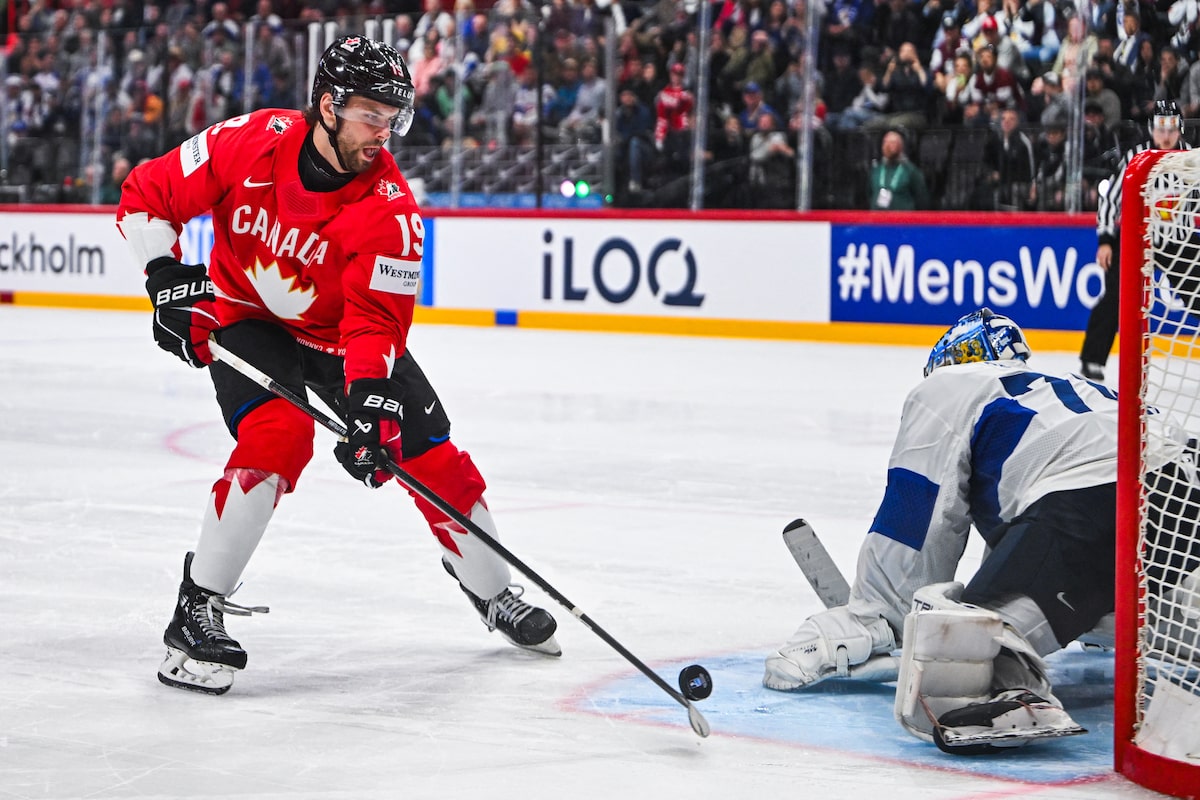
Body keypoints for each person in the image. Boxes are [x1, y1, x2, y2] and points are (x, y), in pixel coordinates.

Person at [116, 36, 561, 696]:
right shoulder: (249, 141)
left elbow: (375, 322)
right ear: (327, 106)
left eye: (393, 118)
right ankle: (196, 611)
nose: (384, 133)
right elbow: (145, 195)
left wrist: (374, 403)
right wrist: (167, 279)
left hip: (337, 339)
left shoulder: (391, 210)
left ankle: (492, 590)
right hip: (248, 318)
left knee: (429, 454)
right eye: (371, 116)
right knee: (278, 437)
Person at [762, 308, 1198, 754]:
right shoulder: (1068, 394)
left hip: (1097, 503)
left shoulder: (950, 386)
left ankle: (1012, 690)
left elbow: (920, 513)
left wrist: (873, 616)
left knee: (967, 649)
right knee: (1111, 598)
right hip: (1187, 499)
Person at [1082, 99, 1189, 382]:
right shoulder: (1136, 157)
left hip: (1180, 242)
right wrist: (1105, 239)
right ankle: (1092, 360)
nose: (1165, 135)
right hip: (1136, 242)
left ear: (1180, 128)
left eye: (1171, 128)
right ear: (1151, 128)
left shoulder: (1191, 158)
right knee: (1115, 297)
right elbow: (1109, 199)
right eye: (1160, 128)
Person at [867, 128, 928, 210]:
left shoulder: (911, 171)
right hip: (877, 220)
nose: (890, 146)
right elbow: (869, 193)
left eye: (894, 142)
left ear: (901, 146)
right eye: (887, 142)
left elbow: (922, 200)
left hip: (902, 220)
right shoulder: (876, 170)